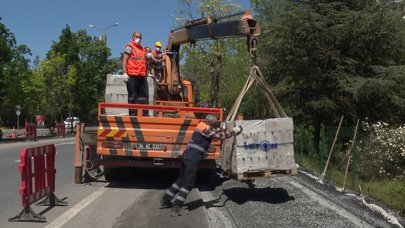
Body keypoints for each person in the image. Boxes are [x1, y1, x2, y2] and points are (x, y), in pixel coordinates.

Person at [160, 114, 243, 216]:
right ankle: (177, 207)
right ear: (210, 123)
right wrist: (235, 131)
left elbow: (214, 132)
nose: (214, 127)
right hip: (192, 159)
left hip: (186, 156)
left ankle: (166, 199)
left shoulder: (201, 125)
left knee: (181, 179)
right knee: (188, 184)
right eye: (214, 124)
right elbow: (220, 136)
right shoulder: (206, 130)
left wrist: (220, 128)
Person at [122, 31, 148, 116]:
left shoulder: (143, 48)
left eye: (140, 37)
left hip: (141, 75)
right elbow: (125, 60)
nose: (139, 39)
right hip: (132, 75)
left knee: (143, 96)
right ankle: (133, 114)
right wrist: (125, 73)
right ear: (133, 37)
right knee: (133, 95)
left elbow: (144, 62)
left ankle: (144, 114)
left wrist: (146, 74)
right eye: (137, 37)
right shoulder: (129, 47)